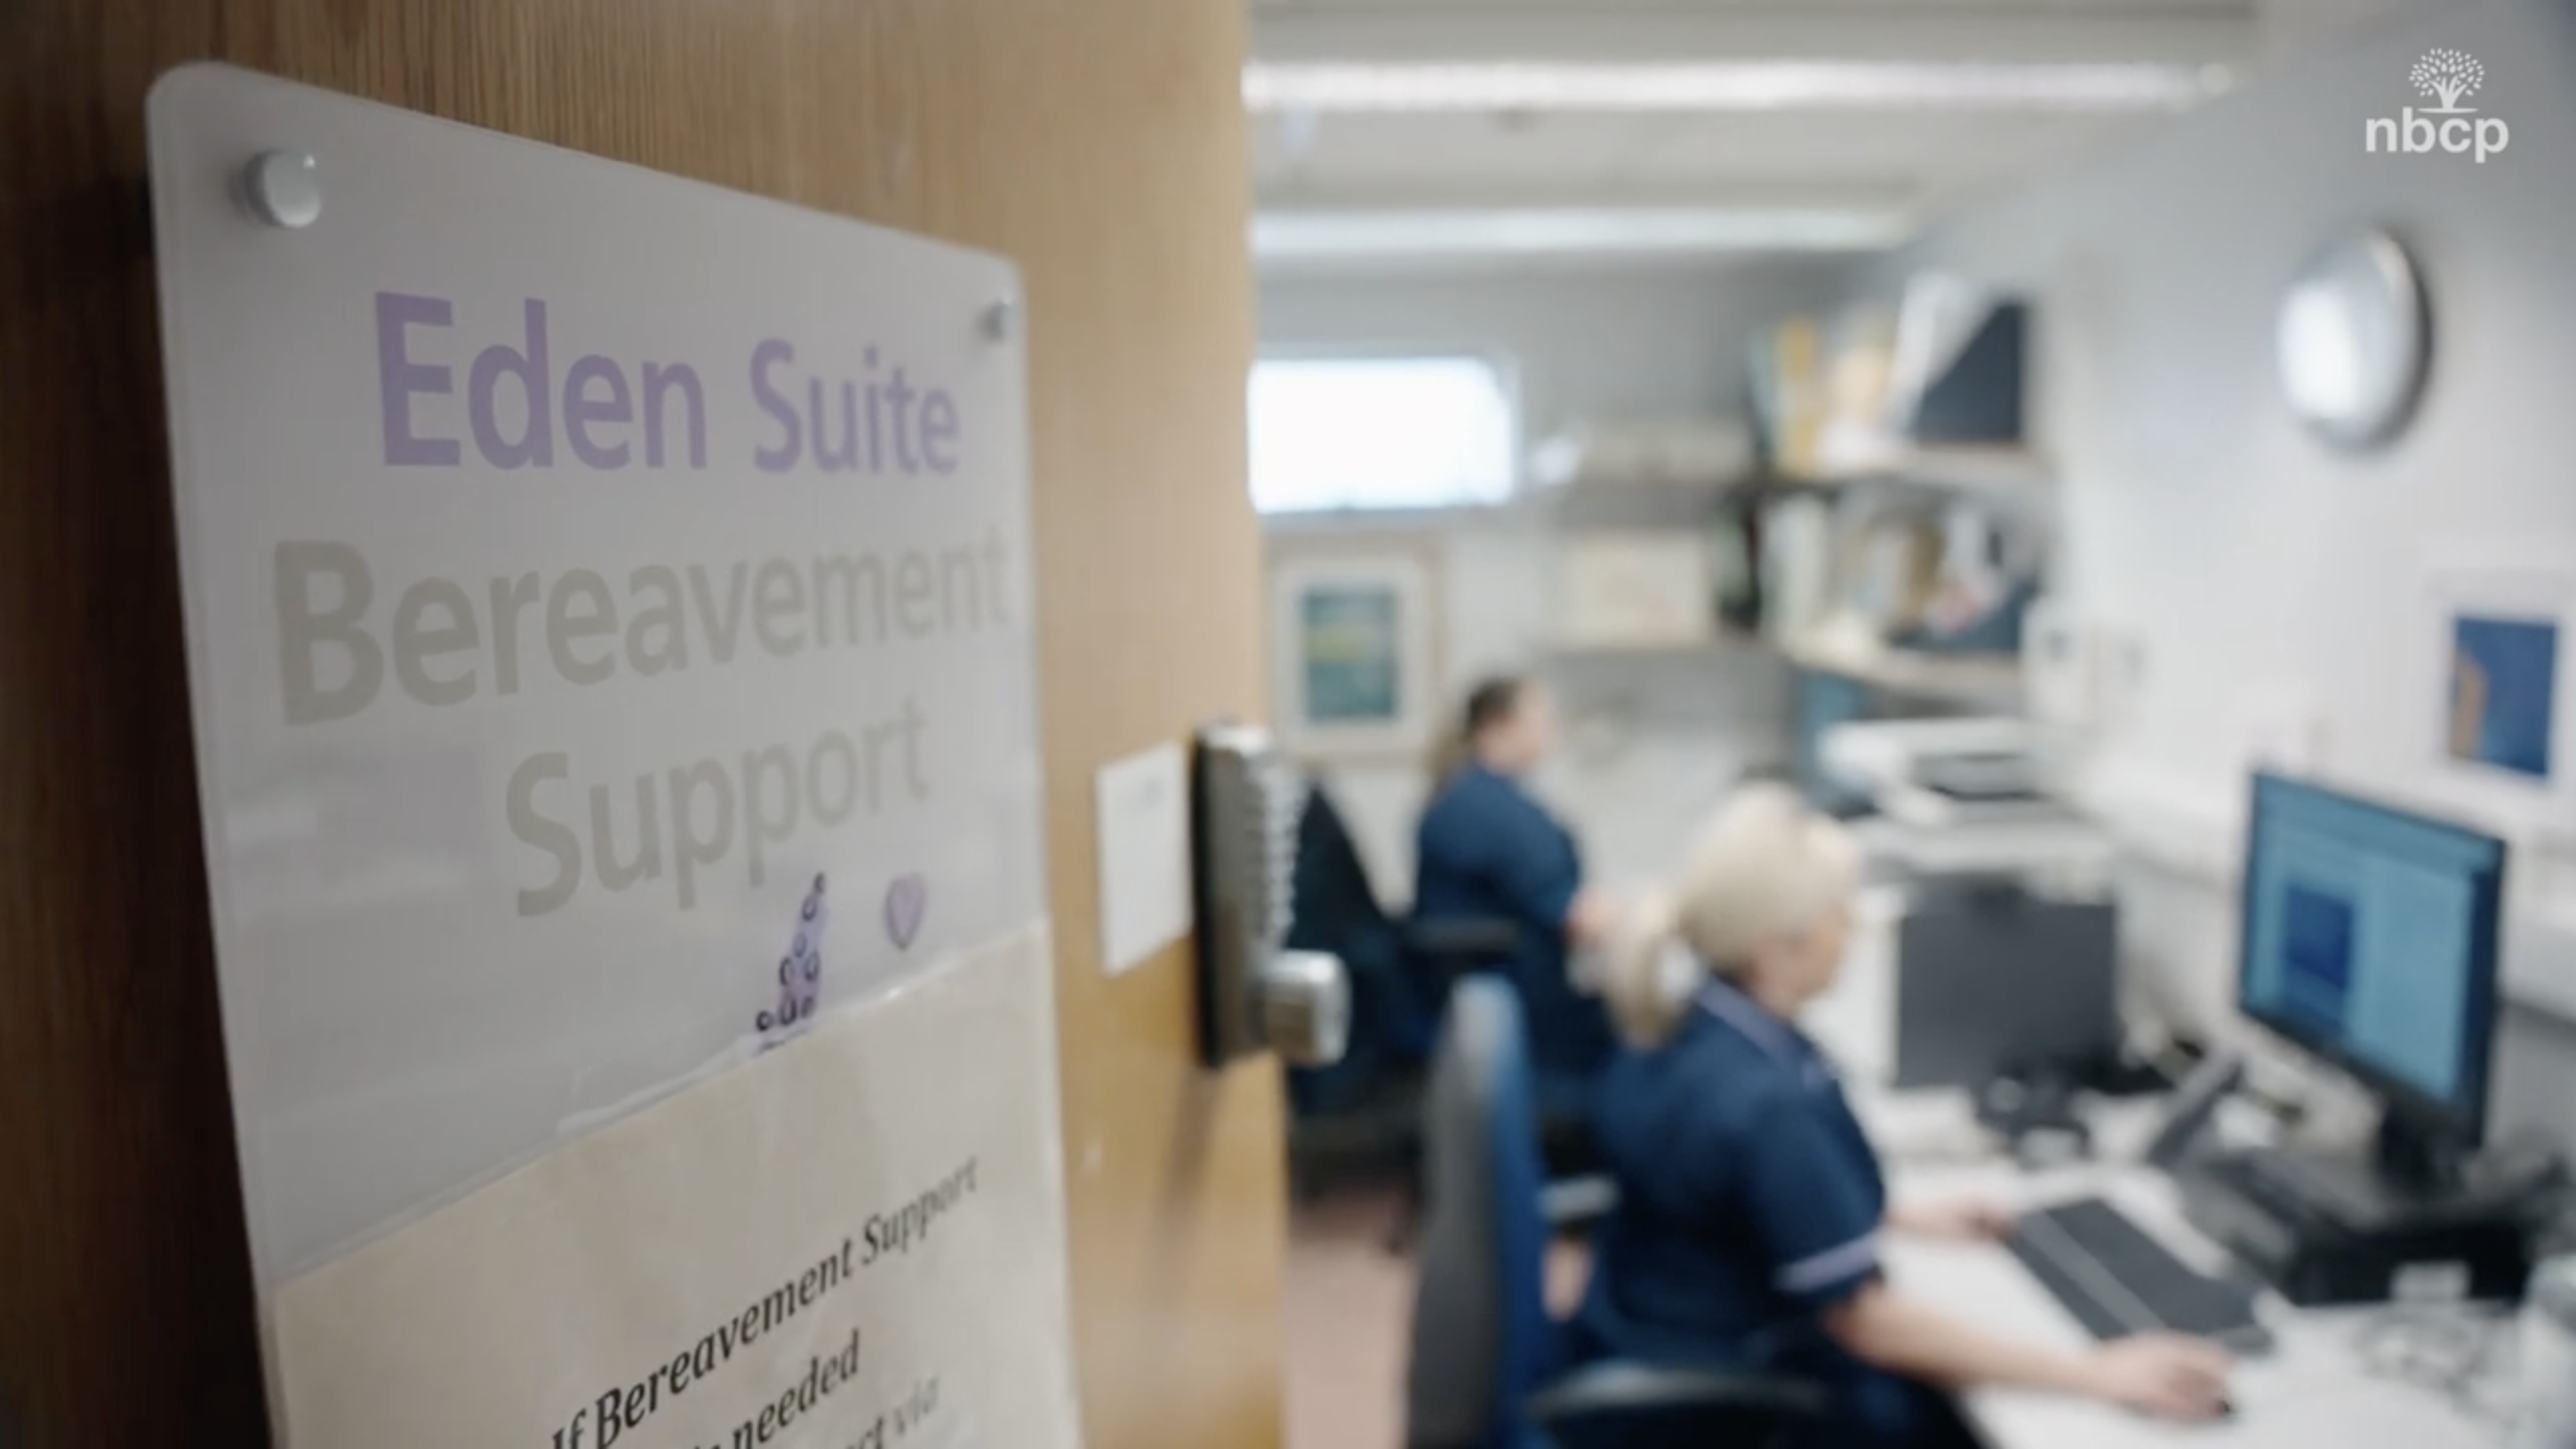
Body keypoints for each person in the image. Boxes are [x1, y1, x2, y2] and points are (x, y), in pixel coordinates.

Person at [1577, 783, 2233, 1447]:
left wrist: (1893, 1216)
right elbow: (1867, 1322)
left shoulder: (1692, 1027)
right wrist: (2090, 1373)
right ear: (1776, 947)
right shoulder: (1766, 1099)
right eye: (1838, 912)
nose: (1852, 929)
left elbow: (1724, 1197)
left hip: (1653, 1330)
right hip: (1726, 1402)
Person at [1411, 676, 1618, 1114]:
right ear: (1497, 725)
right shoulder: (1488, 812)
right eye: (1542, 720)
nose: (1552, 731)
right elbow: (1580, 917)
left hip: (1502, 1007)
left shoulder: (1468, 797)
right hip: (1529, 1019)